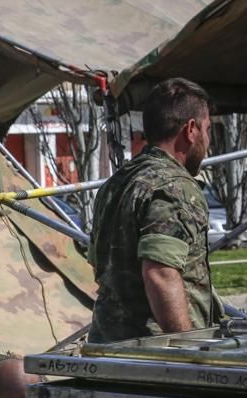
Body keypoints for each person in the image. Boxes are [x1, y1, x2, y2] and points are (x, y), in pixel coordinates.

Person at [88, 77, 220, 343]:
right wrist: (189, 348)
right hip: (153, 356)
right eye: (207, 130)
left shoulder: (118, 183)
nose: (208, 141)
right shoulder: (174, 187)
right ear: (190, 129)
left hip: (108, 347)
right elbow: (161, 273)